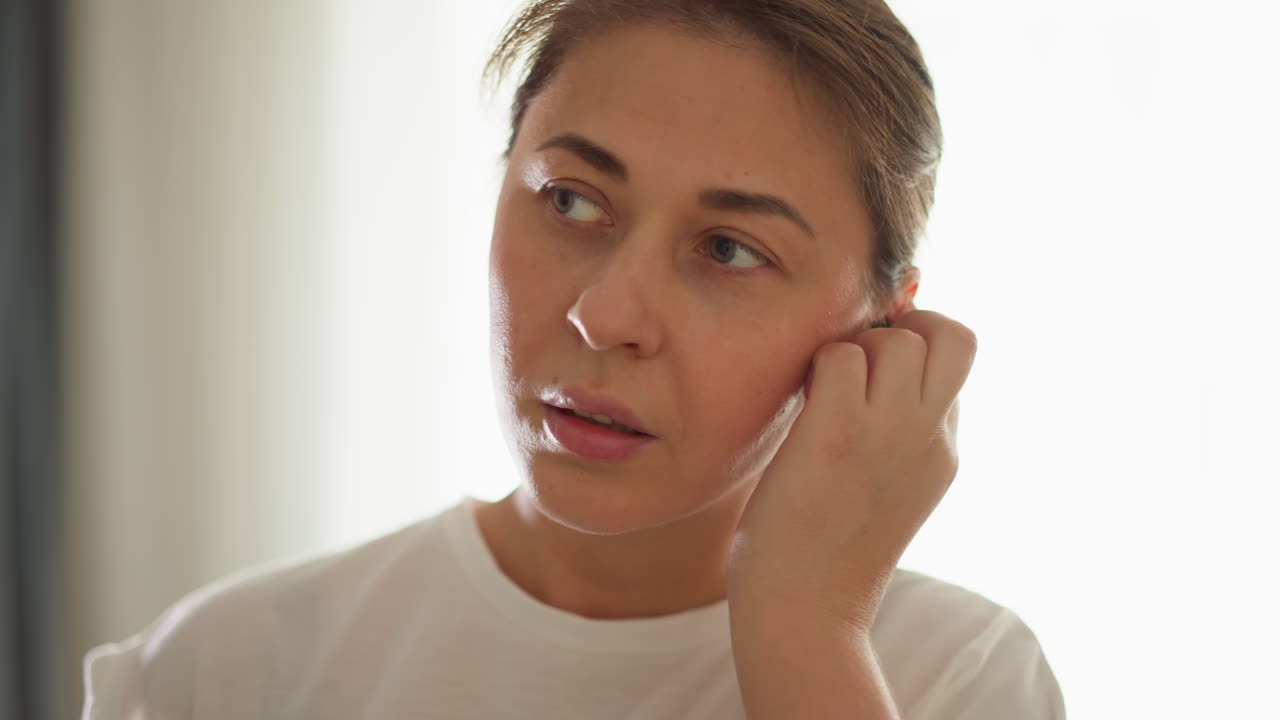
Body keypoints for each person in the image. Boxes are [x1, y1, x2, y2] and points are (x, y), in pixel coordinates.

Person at [83, 1, 1065, 717]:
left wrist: (803, 631)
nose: (605, 315)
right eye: (571, 201)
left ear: (878, 333)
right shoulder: (222, 672)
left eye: (728, 249)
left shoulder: (955, 678)